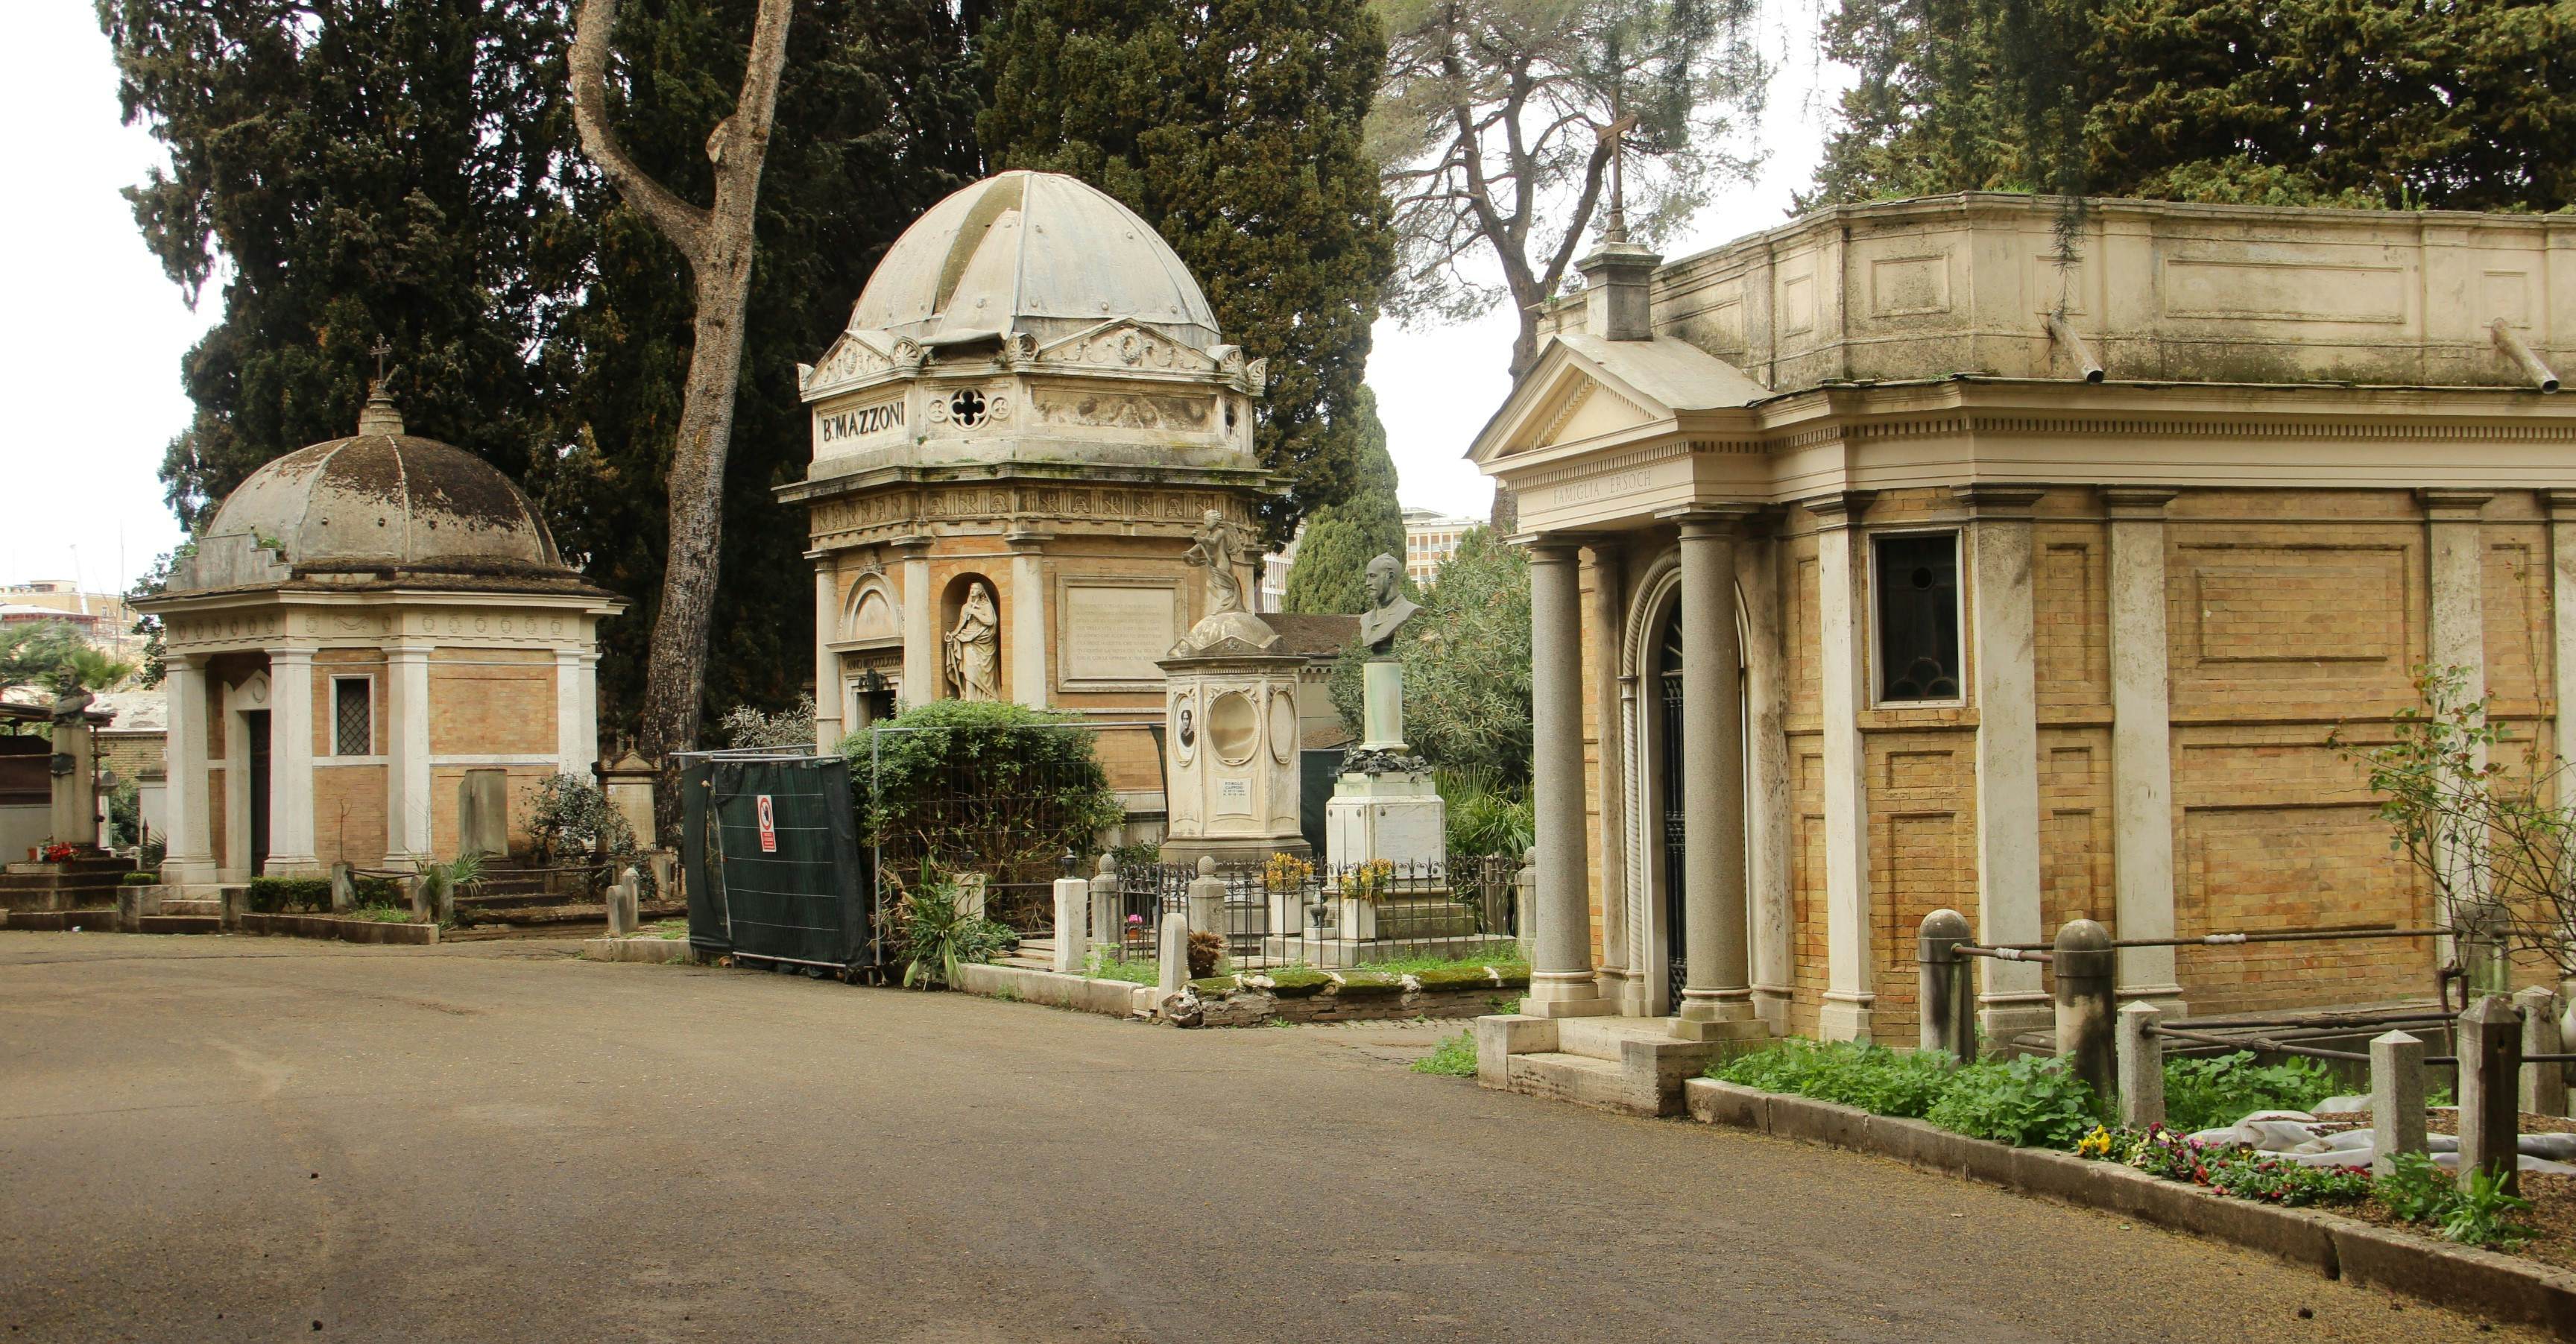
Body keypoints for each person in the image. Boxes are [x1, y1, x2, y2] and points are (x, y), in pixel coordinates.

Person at [944, 581, 1001, 701]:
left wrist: (975, 612)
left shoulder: (986, 606)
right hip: (968, 639)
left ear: (981, 591)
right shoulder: (966, 607)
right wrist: (952, 635)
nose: (972, 591)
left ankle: (987, 697)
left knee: (983, 670)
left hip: (983, 639)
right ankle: (970, 699)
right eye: (971, 588)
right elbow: (961, 625)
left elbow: (990, 621)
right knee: (969, 668)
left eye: (975, 589)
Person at [1357, 553, 1420, 652]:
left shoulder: (1408, 610)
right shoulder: (1365, 619)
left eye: (1373, 576)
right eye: (1367, 577)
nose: (1367, 583)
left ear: (1390, 577)